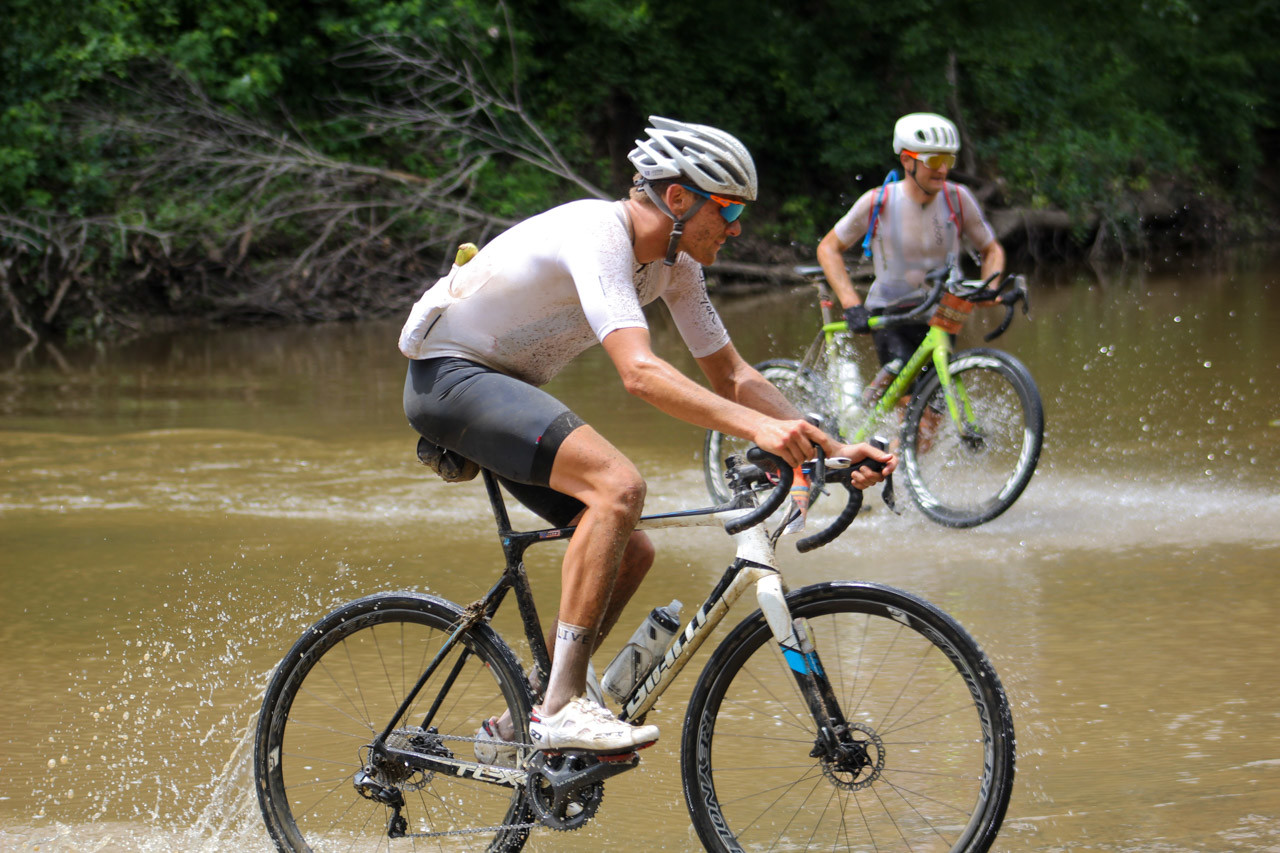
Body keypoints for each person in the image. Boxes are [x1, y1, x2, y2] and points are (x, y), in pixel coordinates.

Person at [398, 116, 895, 762]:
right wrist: (765, 431)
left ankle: (523, 715)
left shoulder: (676, 268)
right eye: (730, 210)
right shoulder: (598, 234)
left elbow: (734, 375)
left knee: (631, 549)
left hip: (500, 387)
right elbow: (638, 372)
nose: (738, 227)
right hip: (450, 376)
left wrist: (827, 446)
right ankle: (560, 707)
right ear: (681, 199)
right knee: (619, 485)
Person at [816, 112, 1006, 399]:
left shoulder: (958, 198)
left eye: (949, 161)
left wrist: (990, 287)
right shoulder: (878, 201)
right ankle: (882, 430)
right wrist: (852, 303)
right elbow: (828, 248)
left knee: (937, 402)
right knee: (909, 397)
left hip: (942, 311)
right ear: (907, 160)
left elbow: (991, 249)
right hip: (892, 310)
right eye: (933, 161)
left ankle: (899, 441)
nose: (942, 170)